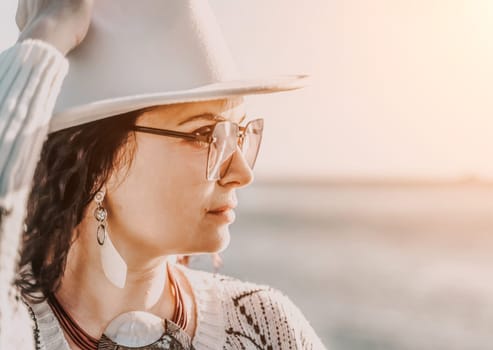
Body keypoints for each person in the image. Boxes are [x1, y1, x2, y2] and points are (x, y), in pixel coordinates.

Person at [0, 0, 326, 349]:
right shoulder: (11, 326)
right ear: (96, 162)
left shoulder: (268, 327)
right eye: (204, 135)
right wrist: (45, 37)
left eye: (240, 134)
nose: (241, 172)